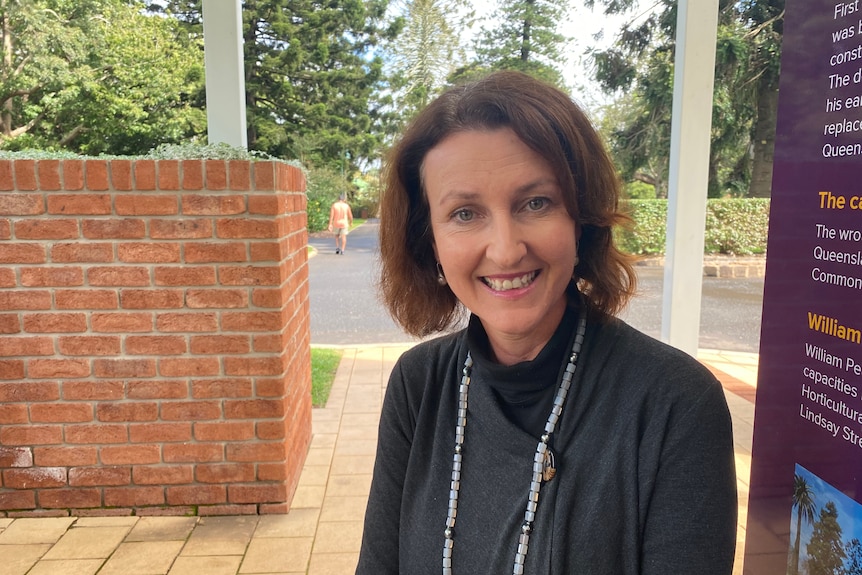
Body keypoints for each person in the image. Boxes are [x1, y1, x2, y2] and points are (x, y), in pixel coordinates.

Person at [356, 70, 737, 575]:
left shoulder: (675, 404)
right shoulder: (418, 384)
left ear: (582, 220)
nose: (507, 249)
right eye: (465, 213)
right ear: (431, 243)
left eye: (536, 203)